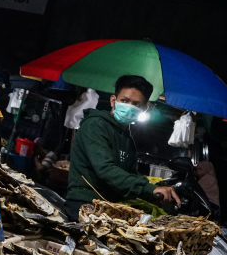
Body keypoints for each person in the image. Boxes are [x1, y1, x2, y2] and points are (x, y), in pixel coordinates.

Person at [64, 75, 180, 220]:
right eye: (124, 100)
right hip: (84, 205)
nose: (129, 107)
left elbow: (130, 174)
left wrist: (155, 195)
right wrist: (150, 189)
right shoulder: (95, 125)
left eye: (137, 104)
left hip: (109, 207)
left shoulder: (127, 138)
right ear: (113, 100)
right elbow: (106, 169)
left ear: (144, 109)